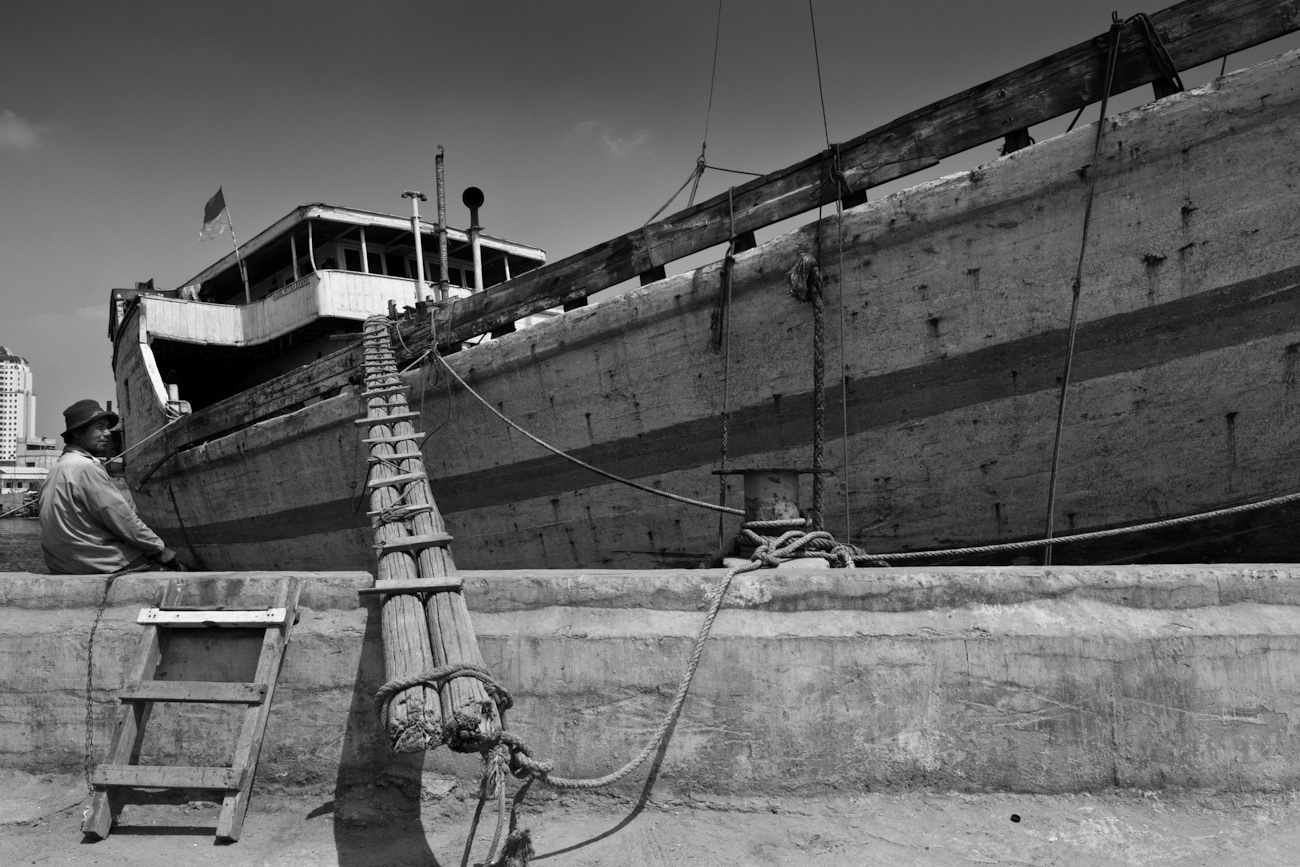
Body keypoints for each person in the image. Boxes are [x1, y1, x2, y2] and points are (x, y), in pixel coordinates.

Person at [39, 399, 183, 574]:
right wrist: (158, 549)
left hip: (62, 563)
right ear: (77, 433)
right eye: (100, 427)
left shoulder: (58, 467)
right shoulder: (86, 467)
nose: (108, 433)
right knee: (173, 575)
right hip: (95, 560)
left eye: (107, 427)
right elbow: (120, 516)